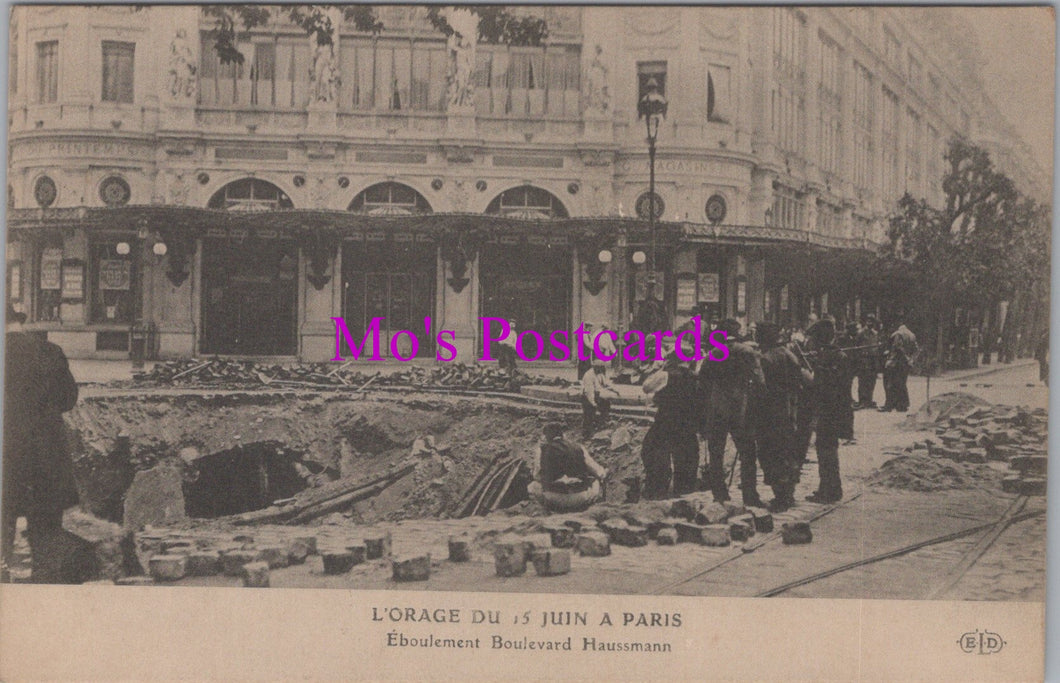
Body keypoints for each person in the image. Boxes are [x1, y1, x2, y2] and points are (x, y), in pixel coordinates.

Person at [2, 303, 80, 583]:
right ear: (18, 322)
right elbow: (68, 399)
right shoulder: (50, 351)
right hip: (45, 455)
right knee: (47, 537)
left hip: (5, 456)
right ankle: (46, 583)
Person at [697, 318, 766, 506]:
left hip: (717, 407)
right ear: (738, 333)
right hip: (740, 408)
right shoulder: (748, 352)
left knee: (716, 453)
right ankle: (750, 495)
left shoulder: (713, 354)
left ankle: (719, 494)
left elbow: (701, 383)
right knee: (747, 452)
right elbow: (760, 382)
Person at [752, 321, 812, 512]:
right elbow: (803, 380)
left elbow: (760, 388)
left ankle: (781, 496)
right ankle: (788, 493)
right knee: (788, 451)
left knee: (770, 452)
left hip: (770, 412)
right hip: (790, 409)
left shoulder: (765, 359)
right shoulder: (789, 354)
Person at [640, 346, 700, 499]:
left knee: (652, 451)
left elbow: (646, 387)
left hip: (666, 421)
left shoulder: (666, 375)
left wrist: (660, 369)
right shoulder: (696, 377)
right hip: (688, 424)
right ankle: (684, 494)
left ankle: (657, 490)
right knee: (687, 458)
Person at [804, 318, 849, 503]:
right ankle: (830, 488)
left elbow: (822, 387)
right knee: (828, 450)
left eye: (814, 337)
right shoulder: (835, 355)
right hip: (835, 410)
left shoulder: (828, 358)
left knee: (826, 451)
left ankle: (829, 491)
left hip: (828, 410)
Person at [527, 423, 607, 512]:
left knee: (533, 486)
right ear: (563, 435)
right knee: (596, 481)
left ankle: (548, 511)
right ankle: (586, 509)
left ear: (546, 437)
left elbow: (537, 476)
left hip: (553, 497)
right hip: (580, 497)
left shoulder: (542, 450)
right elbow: (598, 471)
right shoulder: (578, 447)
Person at [880, 318, 918, 413]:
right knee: (901, 383)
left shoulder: (898, 334)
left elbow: (897, 348)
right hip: (905, 364)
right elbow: (916, 349)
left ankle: (888, 406)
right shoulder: (912, 335)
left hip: (896, 363)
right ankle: (902, 405)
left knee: (889, 384)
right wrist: (911, 360)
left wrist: (890, 360)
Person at [581, 360, 619, 438]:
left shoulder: (600, 374)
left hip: (597, 395)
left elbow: (606, 383)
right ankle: (586, 434)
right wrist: (593, 403)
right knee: (589, 415)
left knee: (606, 406)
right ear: (595, 367)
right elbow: (589, 391)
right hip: (587, 397)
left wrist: (614, 390)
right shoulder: (588, 375)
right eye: (600, 368)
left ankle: (601, 423)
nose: (601, 370)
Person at [836, 321, 859, 444]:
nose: (856, 331)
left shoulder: (853, 339)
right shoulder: (842, 339)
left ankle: (846, 433)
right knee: (844, 404)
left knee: (845, 404)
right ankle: (845, 433)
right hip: (841, 375)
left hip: (847, 373)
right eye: (855, 328)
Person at [855, 315, 880, 409]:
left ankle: (869, 400)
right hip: (864, 359)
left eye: (872, 322)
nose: (870, 323)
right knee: (862, 381)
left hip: (873, 360)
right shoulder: (861, 333)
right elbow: (856, 346)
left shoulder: (875, 333)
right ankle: (862, 400)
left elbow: (876, 346)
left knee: (871, 381)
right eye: (868, 321)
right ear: (866, 322)